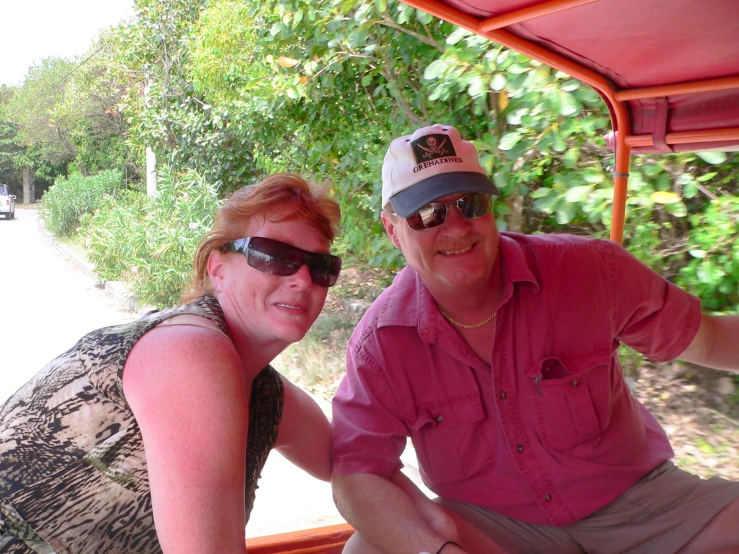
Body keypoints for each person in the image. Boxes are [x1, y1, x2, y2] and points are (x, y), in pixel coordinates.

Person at [330, 124, 739, 554]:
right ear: (393, 230)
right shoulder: (381, 344)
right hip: (497, 530)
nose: (456, 228)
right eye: (427, 214)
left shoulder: (591, 271)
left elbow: (707, 339)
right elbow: (357, 474)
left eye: (470, 204)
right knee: (367, 550)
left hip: (644, 510)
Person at [0, 173, 342, 554]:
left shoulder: (266, 394)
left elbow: (359, 466)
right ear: (218, 269)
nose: (303, 279)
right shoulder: (187, 351)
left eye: (321, 266)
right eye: (274, 256)